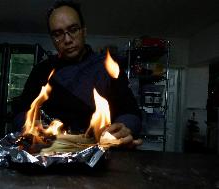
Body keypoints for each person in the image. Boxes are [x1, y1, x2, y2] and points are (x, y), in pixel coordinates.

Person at [11, 0, 142, 148]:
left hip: (99, 156)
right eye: (58, 34)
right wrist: (28, 125)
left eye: (73, 30)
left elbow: (132, 114)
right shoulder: (42, 71)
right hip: (49, 155)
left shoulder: (108, 69)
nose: (67, 40)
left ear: (84, 31)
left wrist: (124, 128)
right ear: (53, 39)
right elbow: (19, 113)